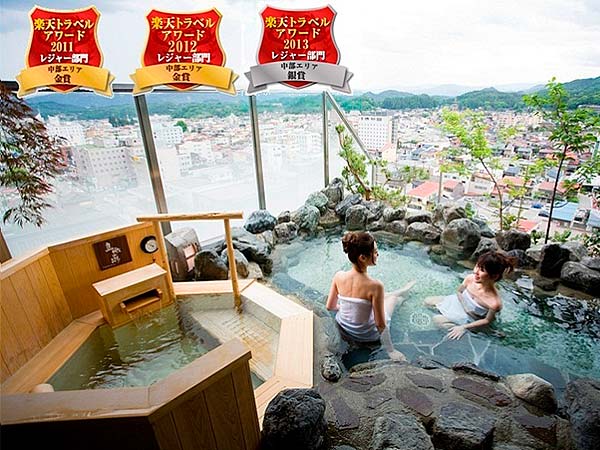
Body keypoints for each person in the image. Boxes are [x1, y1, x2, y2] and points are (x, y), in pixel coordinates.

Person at [326, 231, 416, 361]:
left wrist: (350, 307)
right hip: (367, 335)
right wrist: (391, 350)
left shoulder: (338, 276)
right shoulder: (375, 286)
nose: (377, 254)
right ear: (362, 257)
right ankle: (402, 292)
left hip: (344, 327)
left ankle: (400, 291)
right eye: (374, 252)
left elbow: (330, 306)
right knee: (395, 299)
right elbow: (380, 324)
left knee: (375, 299)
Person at [424, 251, 517, 340]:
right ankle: (449, 316)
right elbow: (459, 292)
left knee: (437, 320)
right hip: (459, 303)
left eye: (482, 270)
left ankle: (478, 332)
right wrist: (466, 308)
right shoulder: (470, 279)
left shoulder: (494, 302)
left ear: (494, 276)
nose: (476, 271)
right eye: (477, 266)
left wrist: (464, 327)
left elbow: (487, 321)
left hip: (470, 318)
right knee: (427, 301)